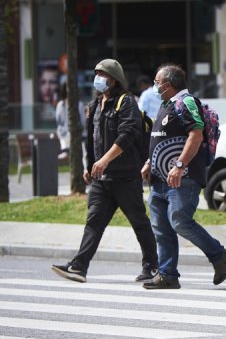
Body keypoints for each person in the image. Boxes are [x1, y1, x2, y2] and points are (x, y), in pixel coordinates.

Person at [51, 59, 159, 283]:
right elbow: (92, 140)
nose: (98, 78)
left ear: (115, 79)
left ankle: (152, 266)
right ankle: (79, 266)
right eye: (97, 74)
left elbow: (128, 134)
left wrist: (105, 160)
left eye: (103, 75)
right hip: (102, 179)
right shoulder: (95, 105)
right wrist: (90, 166)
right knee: (94, 222)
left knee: (139, 222)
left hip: (125, 176)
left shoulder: (126, 102)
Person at [140, 64, 226, 290]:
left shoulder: (186, 103)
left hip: (183, 178)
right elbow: (162, 138)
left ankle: (219, 255)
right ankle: (167, 274)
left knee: (180, 220)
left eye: (157, 82)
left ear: (168, 85)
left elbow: (196, 134)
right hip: (160, 179)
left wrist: (179, 165)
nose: (155, 86)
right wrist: (149, 162)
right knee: (161, 227)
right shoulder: (166, 105)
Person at [55, 81, 86, 161]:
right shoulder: (60, 105)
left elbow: (83, 123)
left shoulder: (79, 105)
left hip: (78, 136)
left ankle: (66, 151)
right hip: (64, 135)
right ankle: (65, 150)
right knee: (62, 133)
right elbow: (59, 122)